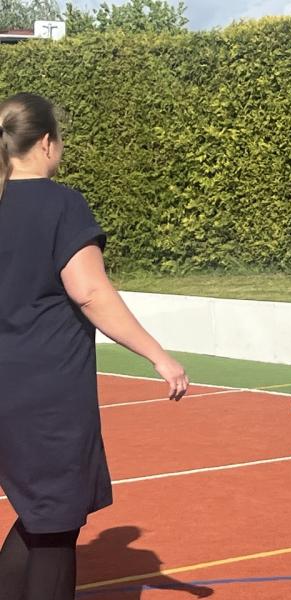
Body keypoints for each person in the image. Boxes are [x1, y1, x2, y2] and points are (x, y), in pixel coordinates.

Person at [0, 92, 189, 599]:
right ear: (46, 143)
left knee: (41, 515)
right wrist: (158, 355)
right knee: (55, 523)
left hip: (8, 388)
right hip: (48, 394)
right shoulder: (61, 203)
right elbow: (90, 292)